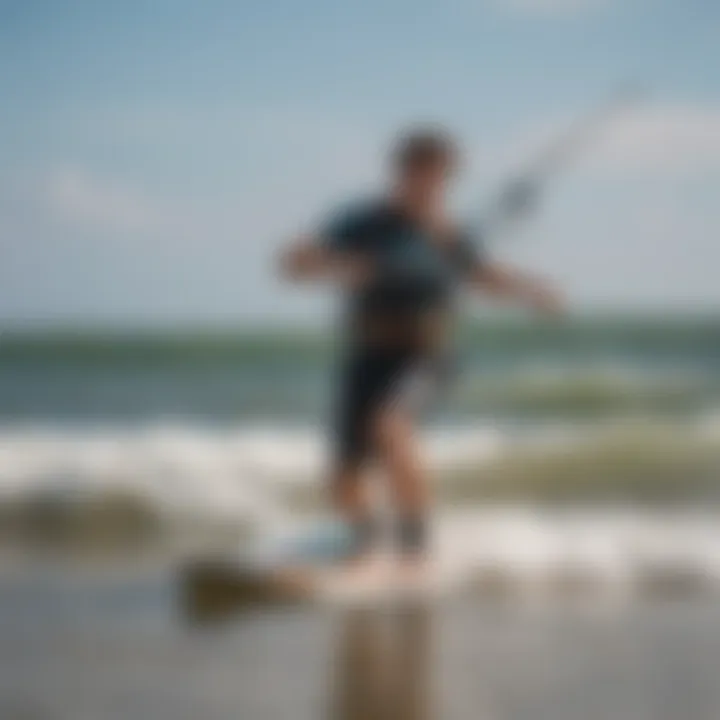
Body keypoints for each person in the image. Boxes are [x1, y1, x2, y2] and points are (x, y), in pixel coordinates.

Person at [279, 126, 562, 570]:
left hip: (427, 355)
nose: (426, 183)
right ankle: (363, 543)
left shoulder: (449, 233)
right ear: (399, 172)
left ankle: (415, 546)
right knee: (343, 472)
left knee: (391, 428)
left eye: (437, 175)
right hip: (369, 353)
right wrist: (315, 262)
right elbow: (296, 268)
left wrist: (531, 290)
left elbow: (481, 276)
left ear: (447, 178)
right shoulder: (361, 222)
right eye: (416, 172)